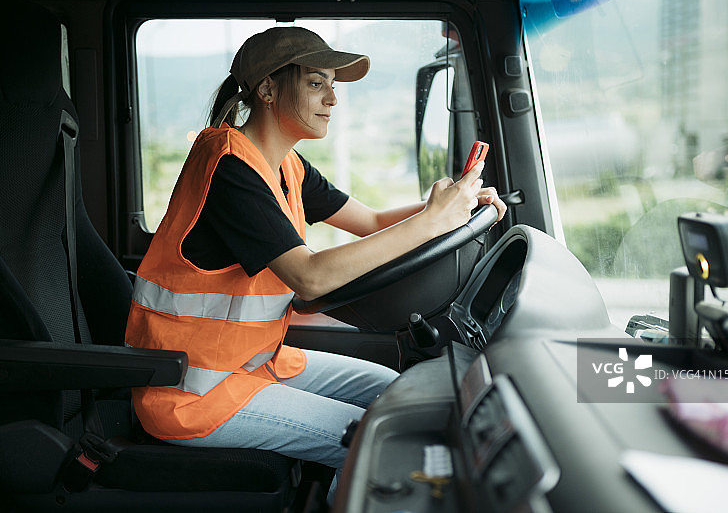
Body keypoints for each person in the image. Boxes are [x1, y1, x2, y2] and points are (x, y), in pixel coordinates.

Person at [124, 26, 506, 498]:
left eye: (332, 84)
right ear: (268, 89)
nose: (332, 98)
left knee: (394, 389)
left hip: (252, 364)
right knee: (374, 441)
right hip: (193, 390)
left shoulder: (287, 165)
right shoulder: (229, 167)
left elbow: (372, 221)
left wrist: (448, 207)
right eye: (315, 83)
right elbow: (309, 277)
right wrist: (431, 223)